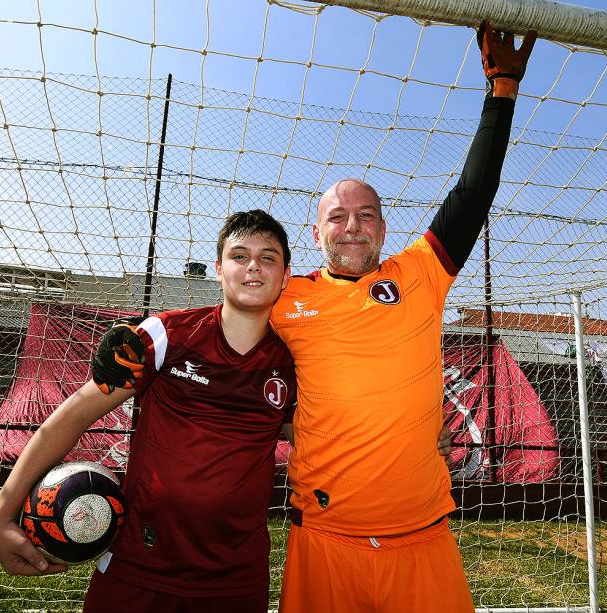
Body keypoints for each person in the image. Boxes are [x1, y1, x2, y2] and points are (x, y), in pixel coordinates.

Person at [92, 21, 535, 613]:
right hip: (324, 534)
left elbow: (472, 193)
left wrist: (500, 90)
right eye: (337, 216)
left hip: (422, 532)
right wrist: (133, 334)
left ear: (383, 226)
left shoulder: (422, 272)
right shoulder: (288, 296)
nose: (352, 225)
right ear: (316, 231)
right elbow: (224, 306)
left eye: (367, 214)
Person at [0, 210, 298, 612]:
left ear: (286, 275)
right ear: (219, 270)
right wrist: (0, 514)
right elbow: (72, 415)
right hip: (137, 566)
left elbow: (314, 437)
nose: (253, 265)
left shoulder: (295, 361)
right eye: (239, 256)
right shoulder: (166, 335)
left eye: (268, 257)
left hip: (235, 580)